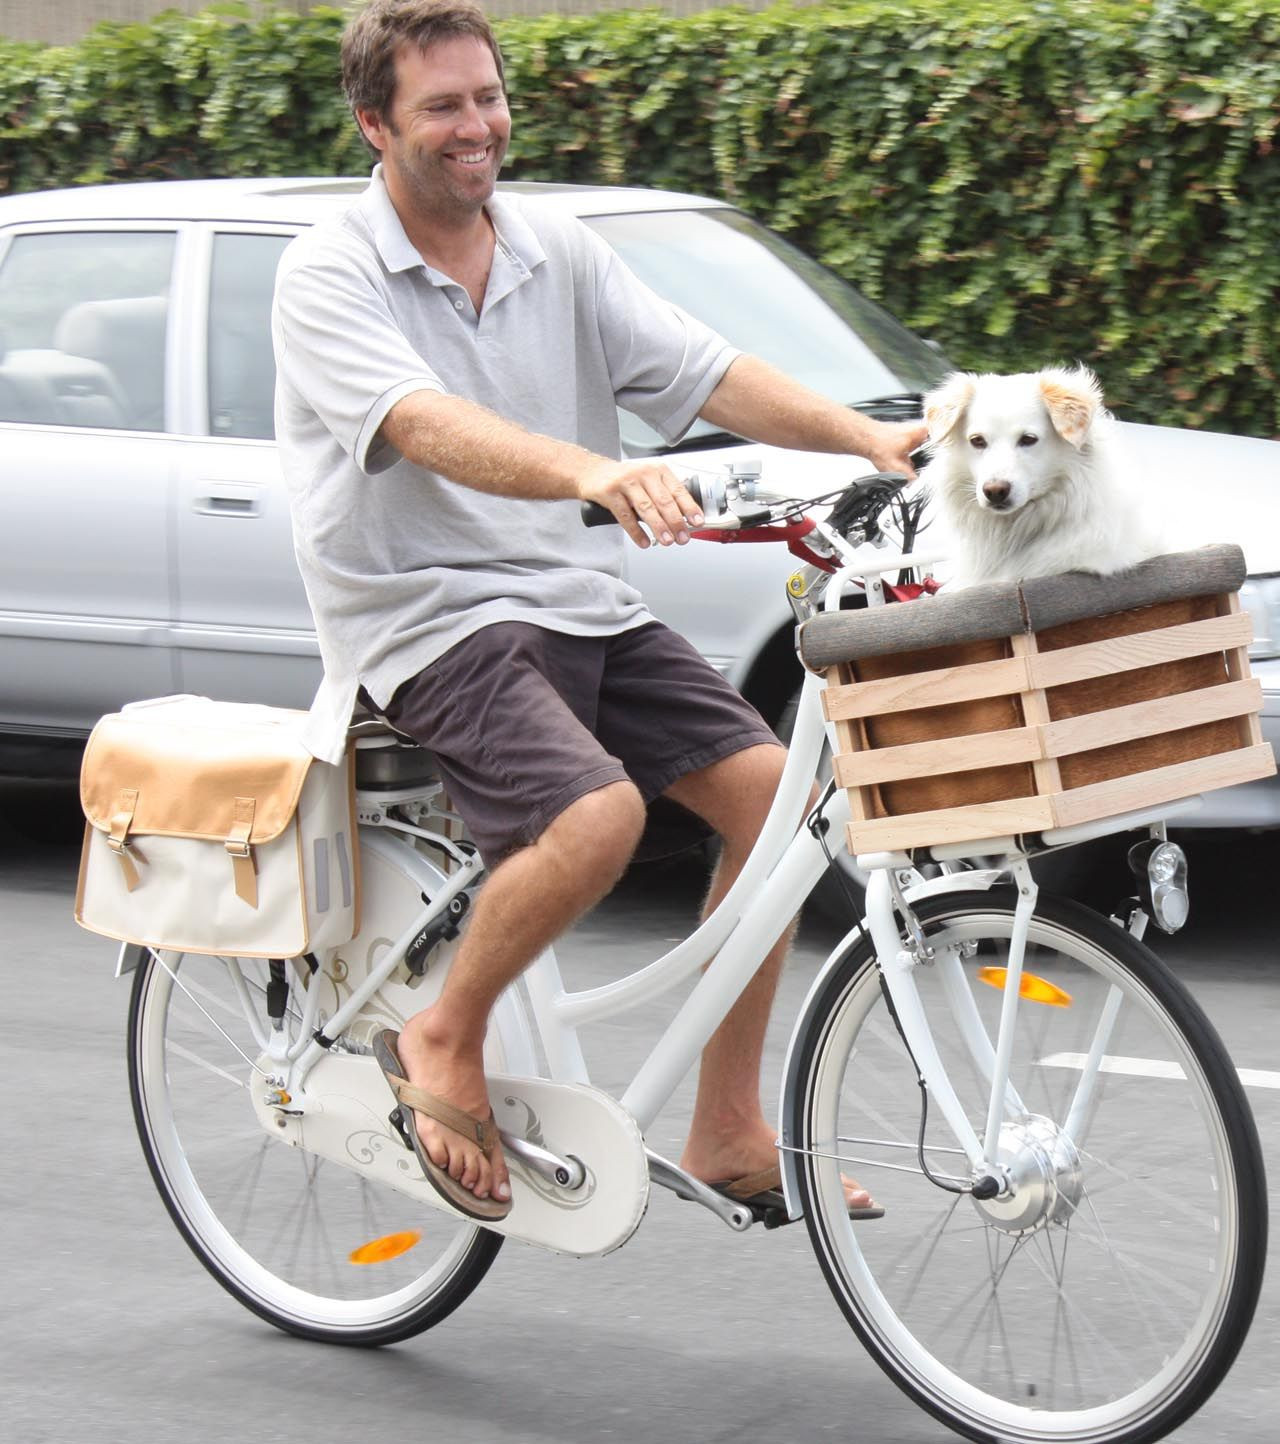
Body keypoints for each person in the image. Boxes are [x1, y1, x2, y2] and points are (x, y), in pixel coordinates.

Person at [272, 0, 927, 1221]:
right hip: (427, 616)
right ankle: (445, 1034)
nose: (478, 127)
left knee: (777, 810)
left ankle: (729, 1124)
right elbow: (420, 423)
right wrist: (586, 469)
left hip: (572, 599)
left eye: (488, 97)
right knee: (593, 819)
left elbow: (706, 371)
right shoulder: (328, 272)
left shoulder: (552, 248)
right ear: (375, 125)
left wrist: (868, 437)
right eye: (441, 107)